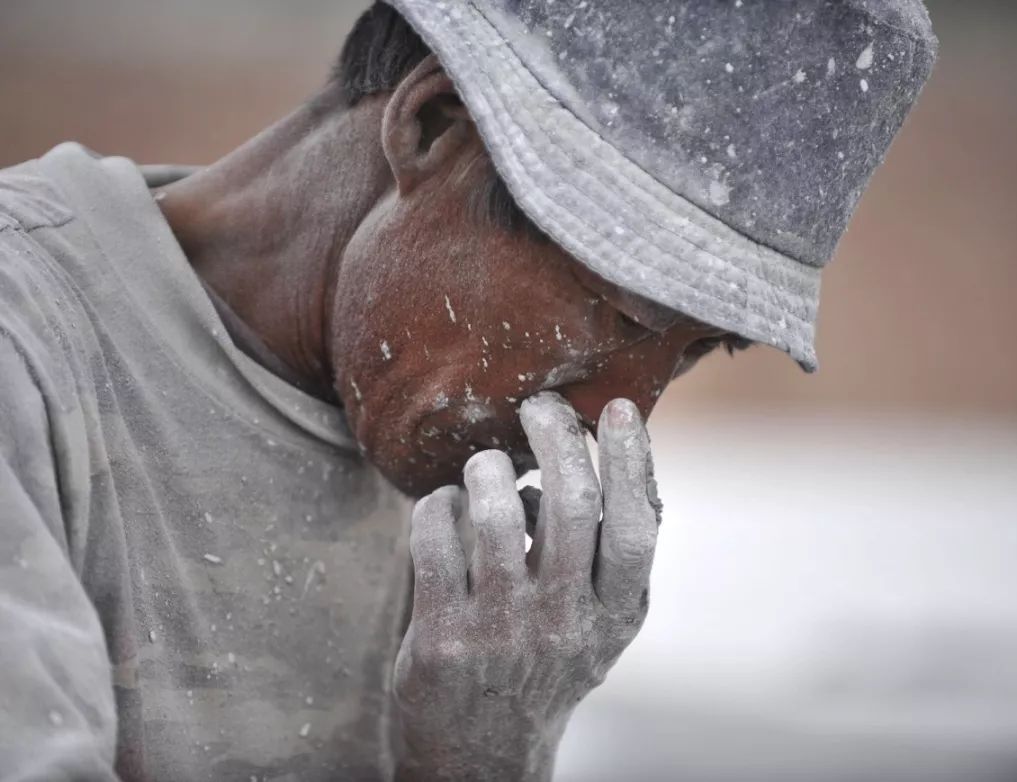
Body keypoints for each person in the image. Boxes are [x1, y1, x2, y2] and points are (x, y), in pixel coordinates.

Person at [0, 1, 936, 779]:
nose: (614, 419)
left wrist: (485, 754)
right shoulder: (29, 349)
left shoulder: (440, 464)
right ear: (432, 127)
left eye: (695, 352)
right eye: (616, 316)